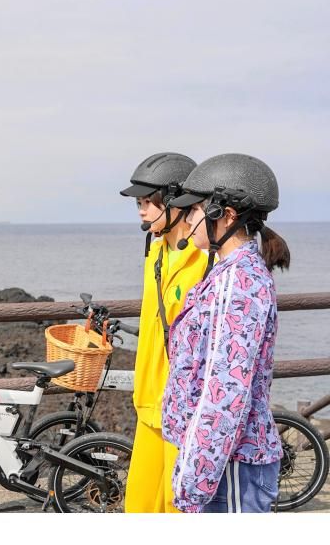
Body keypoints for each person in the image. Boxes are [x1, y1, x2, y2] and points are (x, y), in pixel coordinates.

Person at [162, 153, 289, 513]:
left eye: (194, 210)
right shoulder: (227, 271)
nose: (187, 220)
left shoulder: (239, 283)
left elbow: (224, 391)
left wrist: (192, 481)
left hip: (230, 467)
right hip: (219, 461)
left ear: (226, 214)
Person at [119, 153, 207, 513]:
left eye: (147, 202)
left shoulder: (204, 261)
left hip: (184, 410)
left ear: (175, 201)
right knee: (138, 505)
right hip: (149, 402)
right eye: (138, 203)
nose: (140, 211)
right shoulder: (156, 253)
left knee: (177, 505)